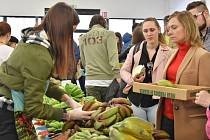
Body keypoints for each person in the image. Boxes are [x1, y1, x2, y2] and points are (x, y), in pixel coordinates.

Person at [0, 2, 93, 139]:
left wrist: (69, 100)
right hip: (7, 112)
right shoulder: (39, 54)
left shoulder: (32, 42)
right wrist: (68, 115)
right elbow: (33, 107)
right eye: (70, 32)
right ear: (60, 29)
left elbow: (42, 82)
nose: (69, 38)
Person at [156, 11, 210, 140]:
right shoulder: (171, 54)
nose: (169, 32)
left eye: (174, 28)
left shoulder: (202, 56)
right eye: (168, 29)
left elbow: (205, 93)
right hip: (165, 118)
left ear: (188, 27)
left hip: (189, 123)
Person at [120, 17, 170, 124]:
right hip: (135, 100)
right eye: (145, 31)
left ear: (159, 30)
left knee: (156, 133)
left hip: (157, 101)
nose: (149, 34)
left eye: (152, 30)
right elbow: (123, 70)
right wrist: (131, 79)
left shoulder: (168, 52)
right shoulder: (135, 49)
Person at [79, 14, 120, 102]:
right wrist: (118, 75)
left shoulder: (83, 38)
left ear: (91, 24)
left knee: (93, 113)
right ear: (104, 24)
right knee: (109, 113)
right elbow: (113, 56)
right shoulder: (109, 34)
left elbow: (83, 61)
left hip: (90, 81)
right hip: (108, 81)